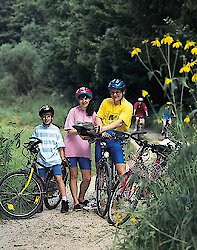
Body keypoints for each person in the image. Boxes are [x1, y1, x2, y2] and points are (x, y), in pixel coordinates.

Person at [64, 87, 100, 211]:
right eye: (81, 98)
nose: (84, 100)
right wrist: (82, 132)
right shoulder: (73, 111)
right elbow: (69, 129)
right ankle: (75, 202)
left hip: (84, 150)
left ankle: (81, 197)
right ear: (78, 99)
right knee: (73, 175)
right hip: (71, 148)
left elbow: (97, 129)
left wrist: (93, 136)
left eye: (86, 98)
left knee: (87, 177)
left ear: (90, 99)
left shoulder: (93, 114)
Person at [31, 105, 69, 213]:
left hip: (54, 160)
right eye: (44, 116)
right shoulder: (37, 129)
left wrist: (63, 159)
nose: (46, 118)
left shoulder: (55, 129)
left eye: (48, 116)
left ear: (51, 117)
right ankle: (39, 202)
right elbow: (33, 142)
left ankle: (64, 201)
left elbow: (60, 146)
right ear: (41, 117)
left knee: (58, 178)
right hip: (42, 160)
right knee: (40, 181)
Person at [95, 79, 133, 175]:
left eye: (117, 92)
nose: (114, 95)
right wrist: (100, 129)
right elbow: (98, 117)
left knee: (121, 172)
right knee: (99, 168)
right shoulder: (106, 102)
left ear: (123, 92)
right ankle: (100, 188)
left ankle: (125, 189)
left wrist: (103, 129)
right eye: (112, 92)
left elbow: (120, 122)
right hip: (102, 136)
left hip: (117, 137)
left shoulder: (128, 106)